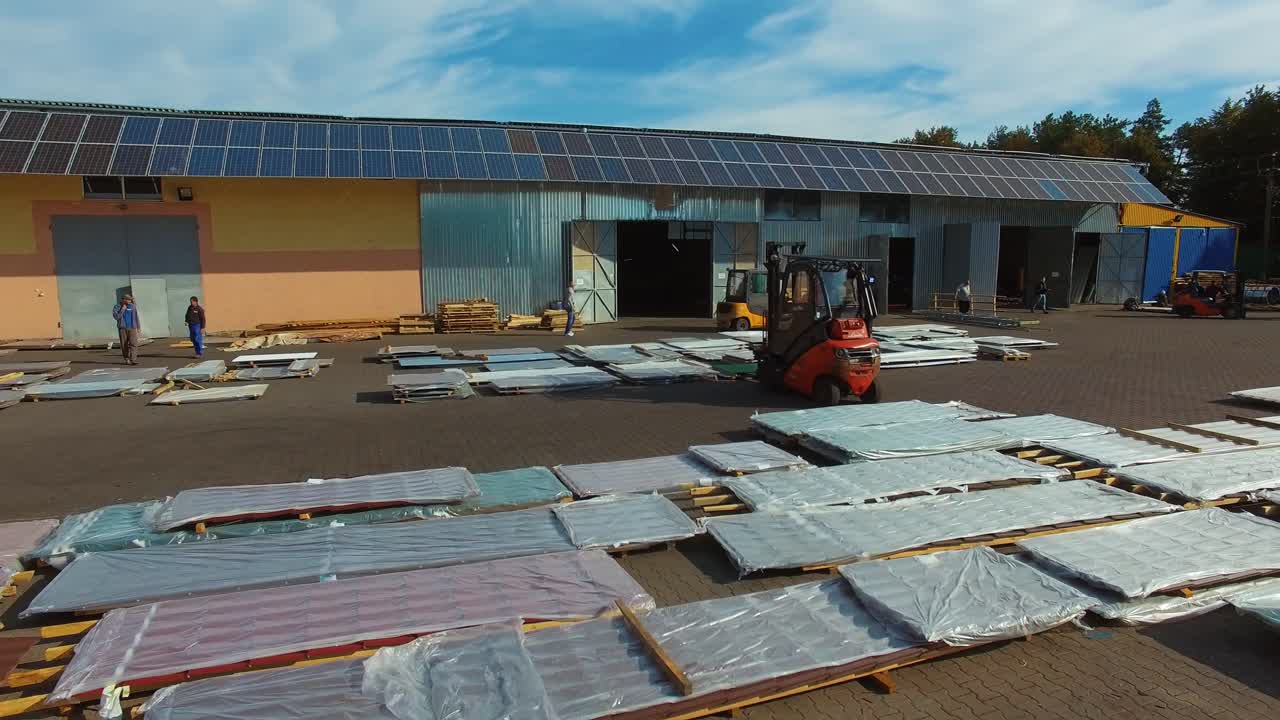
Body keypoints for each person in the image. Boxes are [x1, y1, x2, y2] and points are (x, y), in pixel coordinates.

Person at [112, 294, 141, 365]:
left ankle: (133, 359)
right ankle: (127, 359)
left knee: (134, 344)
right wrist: (122, 309)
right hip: (123, 328)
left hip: (132, 328)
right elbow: (116, 317)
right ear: (123, 300)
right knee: (124, 344)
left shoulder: (132, 306)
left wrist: (138, 327)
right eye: (127, 299)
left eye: (130, 299)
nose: (129, 301)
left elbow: (136, 316)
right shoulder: (117, 307)